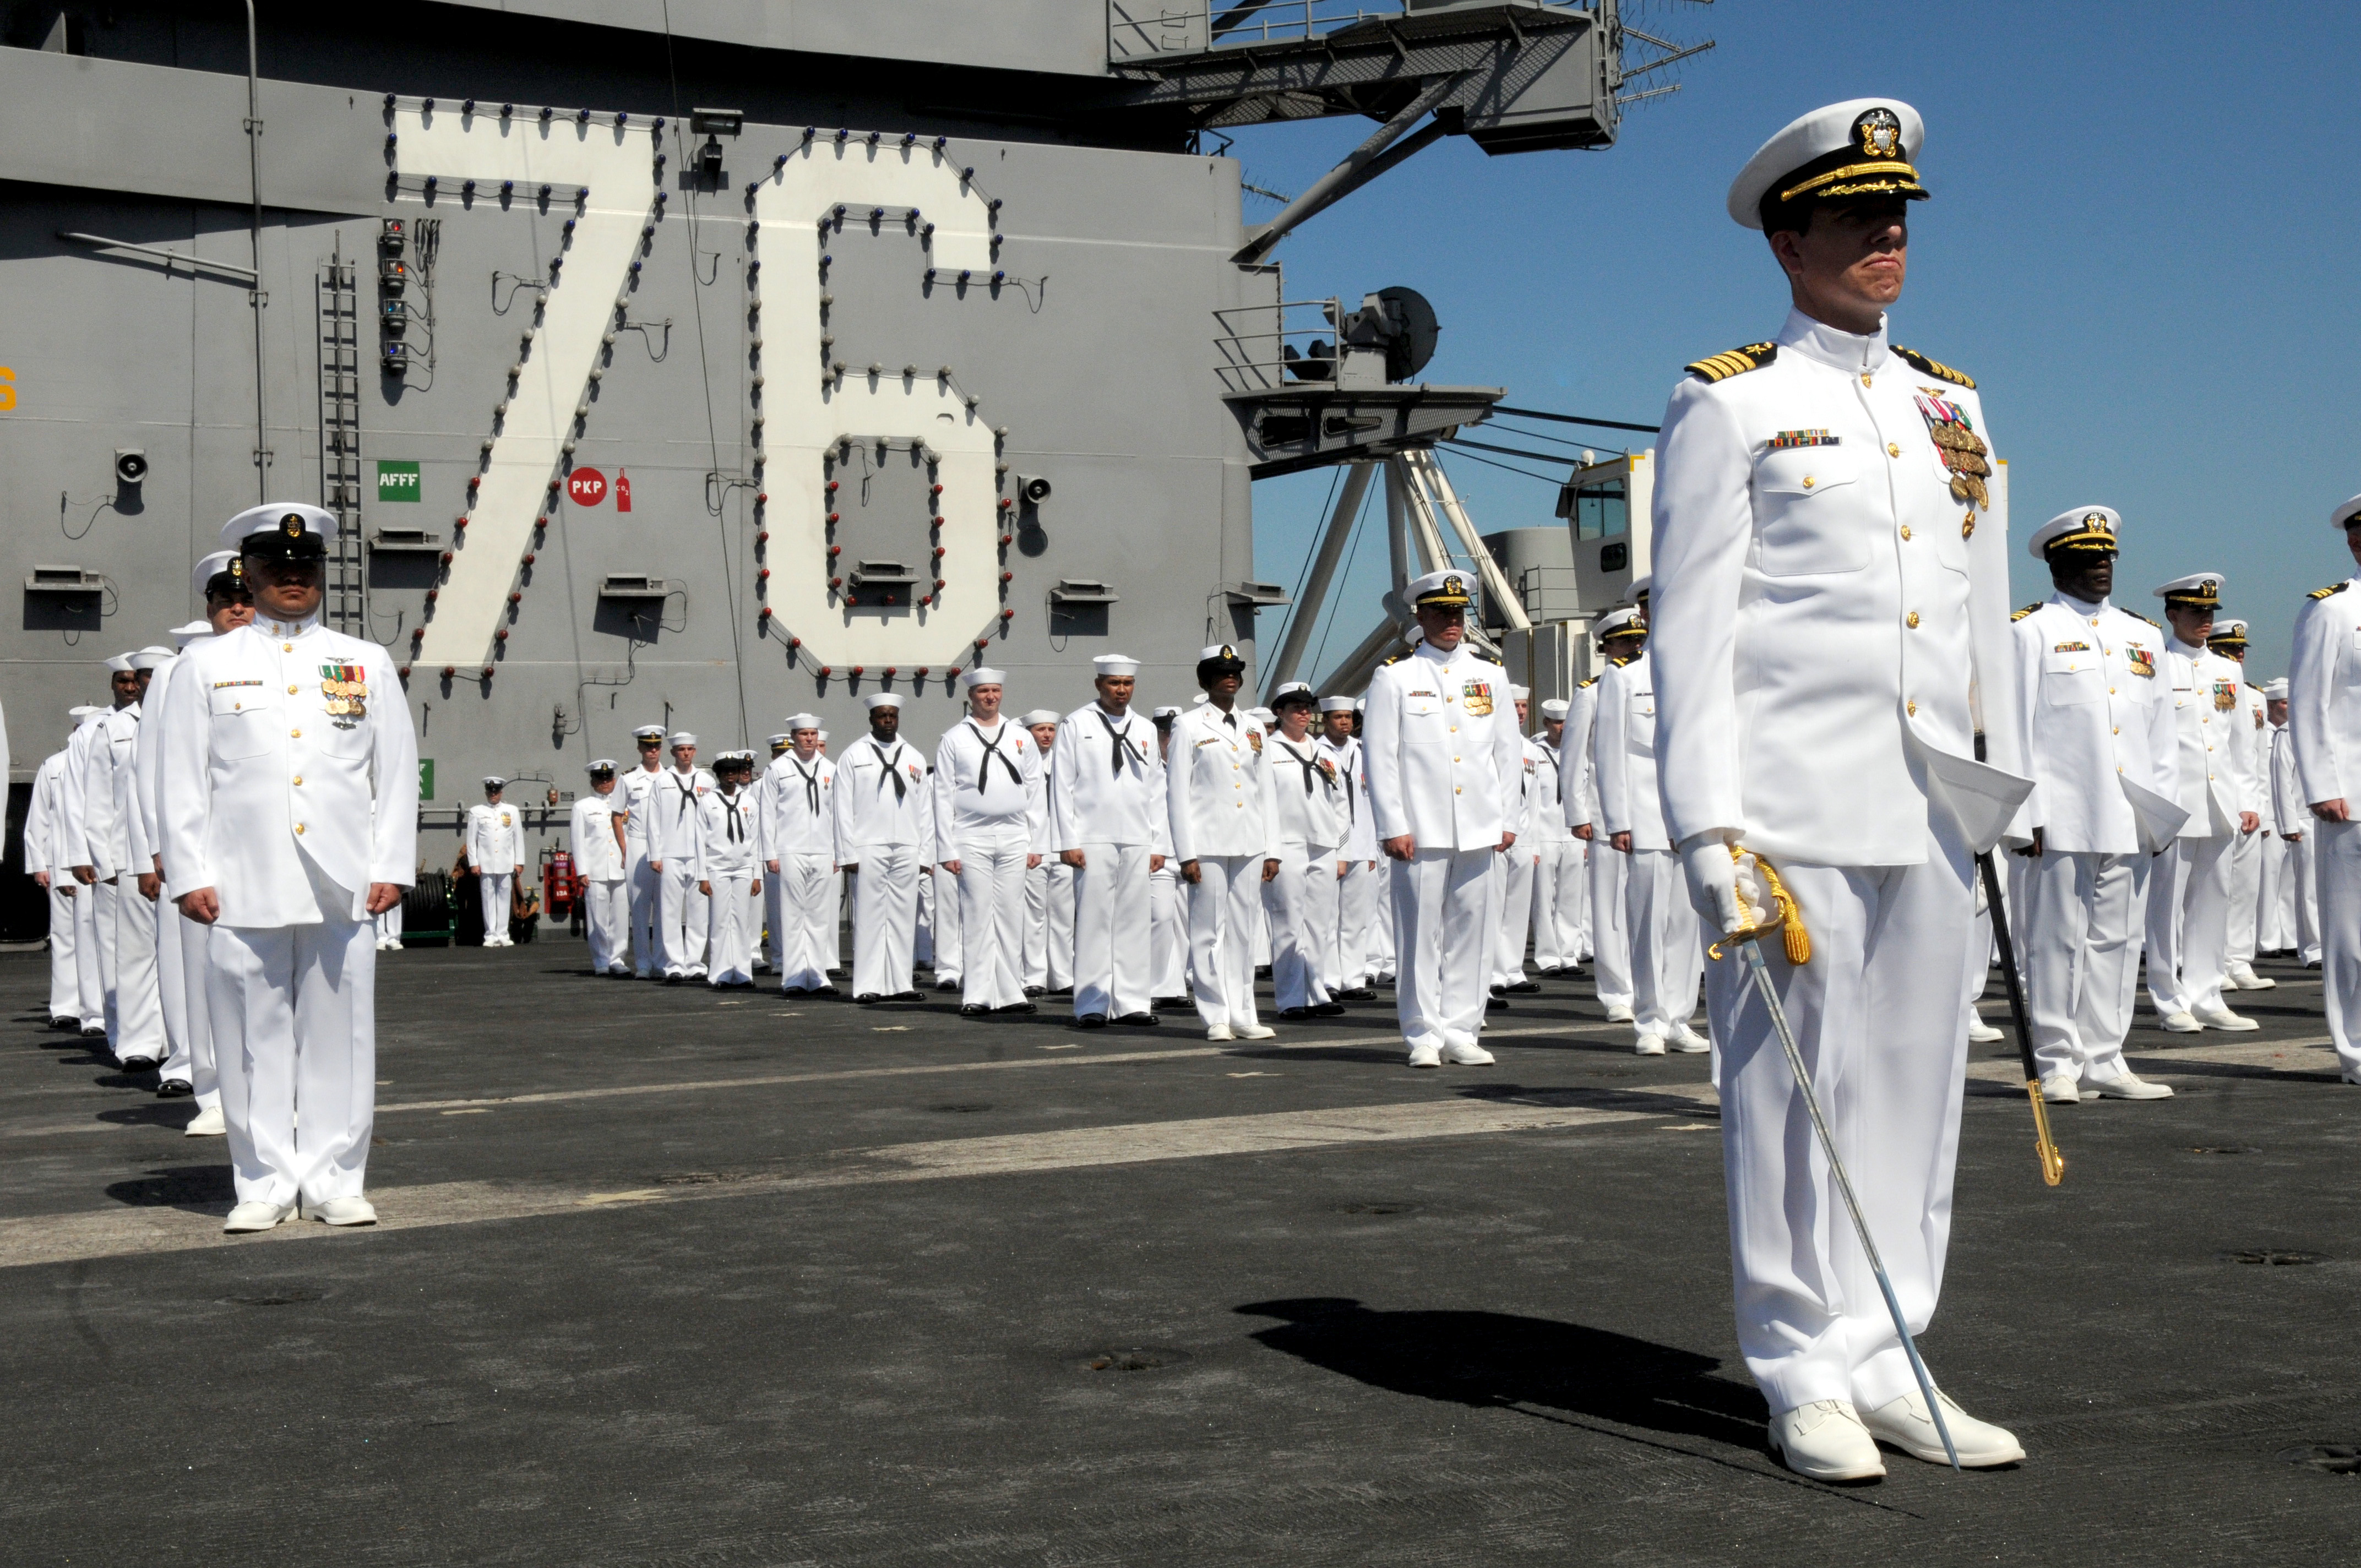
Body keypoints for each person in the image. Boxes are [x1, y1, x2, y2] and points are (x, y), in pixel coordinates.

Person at [1652, 99, 2032, 1478]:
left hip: (1931, 804)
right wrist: (1704, 818)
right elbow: (1689, 622)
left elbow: (1979, 610)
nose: (1886, 236)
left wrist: (2002, 786)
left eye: (1899, 215)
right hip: (1790, 804)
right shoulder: (1731, 399)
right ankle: (1797, 1363)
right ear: (1786, 238)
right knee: (1785, 1092)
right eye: (1857, 217)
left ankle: (1886, 1348)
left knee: (1911, 1087)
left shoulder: (1953, 402)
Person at [160, 502, 418, 1231]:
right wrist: (189, 871)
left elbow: (394, 772)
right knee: (250, 1037)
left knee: (342, 1034)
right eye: (278, 569)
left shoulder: (362, 662)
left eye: (305, 569)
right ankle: (264, 1181)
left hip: (342, 881)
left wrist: (392, 862)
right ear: (254, 575)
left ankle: (337, 1178)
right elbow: (181, 776)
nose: (293, 580)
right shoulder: (205, 665)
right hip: (244, 878)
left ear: (320, 576)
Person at [2006, 507, 2184, 1104]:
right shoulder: (2029, 631)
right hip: (2058, 813)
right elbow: (2014, 729)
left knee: (2117, 939)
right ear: (2057, 565)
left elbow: (2160, 732)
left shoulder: (2141, 635)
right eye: (2086, 559)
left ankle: (2105, 1055)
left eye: (2106, 556)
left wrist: (2161, 812)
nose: (2101, 568)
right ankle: (2058, 1059)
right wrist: (2021, 815)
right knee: (2053, 939)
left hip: (2129, 813)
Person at [1362, 570, 1522, 1068]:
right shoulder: (1396, 676)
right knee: (1418, 933)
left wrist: (1508, 817)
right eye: (1441, 612)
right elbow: (1380, 756)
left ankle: (1462, 1029)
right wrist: (1393, 824)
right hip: (1421, 827)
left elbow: (1507, 753)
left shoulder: (1490, 674)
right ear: (1421, 616)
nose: (1452, 621)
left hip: (1478, 822)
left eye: (1458, 612)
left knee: (1473, 932)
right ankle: (1423, 1033)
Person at [2144, 574, 2261, 1031]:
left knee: (2214, 901)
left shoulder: (2227, 670)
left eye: (2210, 612)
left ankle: (2206, 993)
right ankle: (2168, 996)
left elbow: (2240, 744)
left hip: (2220, 803)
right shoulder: (2157, 664)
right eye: (2195, 613)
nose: (2205, 620)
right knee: (2166, 906)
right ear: (2173, 615)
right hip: (2176, 803)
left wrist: (2248, 800)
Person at [1594, 607, 1706, 1055]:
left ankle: (1679, 1017)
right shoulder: (1624, 678)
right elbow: (1610, 752)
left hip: (1693, 820)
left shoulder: (1696, 671)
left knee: (1686, 924)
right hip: (1646, 817)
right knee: (1648, 922)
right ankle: (1650, 1021)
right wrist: (1618, 820)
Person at [139, 614, 232, 1107]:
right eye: (227, 600)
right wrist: (159, 848)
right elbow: (154, 766)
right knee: (194, 968)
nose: (238, 610)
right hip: (196, 846)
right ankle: (201, 1078)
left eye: (245, 599)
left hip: (258, 848)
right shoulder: (179, 674)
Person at [1050, 654, 1169, 1028]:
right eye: (1115, 683)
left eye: (1128, 684)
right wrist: (1067, 840)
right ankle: (1091, 1003)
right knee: (1093, 922)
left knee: (1134, 921)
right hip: (1092, 836)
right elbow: (1061, 785)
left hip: (1136, 835)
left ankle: (1133, 1002)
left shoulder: (1145, 729)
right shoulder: (1076, 723)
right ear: (1099, 684)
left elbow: (1156, 788)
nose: (1122, 691)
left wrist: (1159, 843)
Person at [2287, 493, 2361, 1084]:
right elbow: (2307, 704)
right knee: (2350, 935)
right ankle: (2355, 1051)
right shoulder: (2333, 611)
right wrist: (2320, 784)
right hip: (2351, 796)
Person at [1166, 646, 1276, 1041]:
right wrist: (1186, 853)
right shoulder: (1188, 725)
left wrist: (1273, 848)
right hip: (1207, 841)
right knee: (1208, 930)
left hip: (1249, 841)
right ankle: (1216, 1014)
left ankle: (1244, 1012)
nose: (1229, 678)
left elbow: (1266, 791)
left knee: (1245, 929)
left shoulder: (1253, 727)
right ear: (1205, 680)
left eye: (1234, 673)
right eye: (1220, 673)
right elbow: (1177, 792)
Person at [934, 668, 1043, 1015]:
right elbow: (942, 795)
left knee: (1011, 915)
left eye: (995, 691)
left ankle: (1011, 992)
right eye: (983, 692)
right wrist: (946, 848)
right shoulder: (954, 738)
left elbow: (1035, 789)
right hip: (971, 835)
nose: (990, 697)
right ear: (971, 697)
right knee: (978, 914)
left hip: (1014, 834)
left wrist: (1036, 842)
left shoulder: (1020, 737)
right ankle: (978, 994)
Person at [1262, 682, 1348, 1021]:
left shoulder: (1325, 753)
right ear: (1279, 712)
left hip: (1323, 844)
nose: (1303, 712)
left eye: (1307, 706)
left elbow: (1340, 804)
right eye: (1295, 706)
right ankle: (1290, 998)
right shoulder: (1267, 750)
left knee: (1319, 924)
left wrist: (1341, 850)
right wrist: (1270, 849)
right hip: (1287, 844)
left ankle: (1317, 990)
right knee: (1287, 923)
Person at [835, 692, 929, 1003]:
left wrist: (926, 853)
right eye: (882, 716)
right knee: (869, 919)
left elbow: (925, 809)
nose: (888, 721)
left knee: (903, 918)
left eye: (893, 716)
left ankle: (901, 983)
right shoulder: (854, 754)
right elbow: (842, 807)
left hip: (906, 844)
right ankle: (867, 985)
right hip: (868, 845)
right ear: (872, 719)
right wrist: (847, 853)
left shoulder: (913, 756)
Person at [2205, 620, 2275, 992]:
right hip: (2215, 801)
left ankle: (2239, 960)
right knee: (2209, 890)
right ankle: (2208, 962)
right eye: (2231, 649)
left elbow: (2257, 757)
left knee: (2246, 888)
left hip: (2248, 806)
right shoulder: (2211, 687)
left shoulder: (2256, 697)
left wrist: (2259, 805)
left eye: (2241, 649)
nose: (2239, 655)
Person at [763, 715, 839, 995]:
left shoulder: (830, 768)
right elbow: (767, 813)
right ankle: (794, 976)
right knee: (793, 915)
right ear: (793, 736)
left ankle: (818, 975)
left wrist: (837, 852)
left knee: (819, 917)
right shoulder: (778, 769)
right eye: (804, 734)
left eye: (813, 734)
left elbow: (837, 814)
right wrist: (769, 853)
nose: (809, 739)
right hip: (790, 848)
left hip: (822, 849)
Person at [1318, 695, 1379, 1000]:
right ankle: (1329, 979)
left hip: (1362, 843)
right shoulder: (1316, 752)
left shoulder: (1365, 753)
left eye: (1348, 717)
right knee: (1328, 917)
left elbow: (1373, 801)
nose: (1344, 723)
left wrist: (1371, 849)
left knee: (1357, 917)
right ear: (1326, 720)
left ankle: (1354, 979)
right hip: (1330, 845)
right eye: (1337, 717)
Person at [26, 721, 86, 1030]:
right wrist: (38, 864)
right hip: (60, 862)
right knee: (65, 936)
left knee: (98, 939)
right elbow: (39, 817)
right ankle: (65, 1005)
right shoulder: (54, 765)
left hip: (98, 861)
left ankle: (97, 1008)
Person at [649, 732, 716, 980]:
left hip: (699, 854)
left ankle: (695, 962)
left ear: (695, 752)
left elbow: (715, 818)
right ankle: (675, 963)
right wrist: (655, 855)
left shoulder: (706, 781)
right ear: (673, 753)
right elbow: (653, 821)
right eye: (681, 750)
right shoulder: (663, 781)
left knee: (699, 910)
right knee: (670, 910)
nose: (686, 754)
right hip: (670, 853)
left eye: (690, 749)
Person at [694, 750, 764, 986]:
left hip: (744, 867)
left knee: (742, 921)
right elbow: (699, 841)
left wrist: (757, 875)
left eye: (734, 772)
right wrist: (702, 877)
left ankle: (743, 973)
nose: (731, 777)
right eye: (726, 773)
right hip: (718, 867)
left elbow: (755, 840)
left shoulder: (749, 801)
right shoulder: (708, 802)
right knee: (721, 921)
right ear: (719, 776)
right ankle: (721, 973)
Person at [2261, 679, 2317, 965]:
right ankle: (2312, 947)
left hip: (2321, 819)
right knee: (2302, 887)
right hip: (2295, 818)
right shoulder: (2286, 735)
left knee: (2308, 886)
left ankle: (2294, 938)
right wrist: (2288, 824)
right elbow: (2281, 780)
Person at [1530, 697, 1585, 976]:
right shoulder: (1534, 752)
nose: (1562, 728)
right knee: (1544, 898)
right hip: (1545, 832)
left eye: (1566, 722)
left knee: (1571, 897)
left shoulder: (1580, 754)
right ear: (1546, 724)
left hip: (1573, 833)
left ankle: (1569, 954)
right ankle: (1548, 957)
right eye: (1557, 722)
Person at [1020, 709, 1075, 996]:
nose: (1047, 735)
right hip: (1034, 850)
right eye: (1040, 730)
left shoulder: (1063, 762)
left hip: (1061, 848)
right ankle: (1034, 976)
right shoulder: (1021, 762)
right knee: (1034, 917)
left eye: (1051, 730)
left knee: (1064, 917)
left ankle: (1063, 976)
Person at [1148, 706, 1192, 1009]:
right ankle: (1158, 985)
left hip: (1189, 853)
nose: (1168, 738)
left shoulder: (1192, 762)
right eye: (1164, 732)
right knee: (1160, 919)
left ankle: (1182, 982)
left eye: (1172, 732)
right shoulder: (1147, 764)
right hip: (1159, 854)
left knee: (1188, 926)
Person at [618, 724, 668, 977]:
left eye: (657, 745)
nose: (653, 750)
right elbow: (617, 815)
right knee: (639, 909)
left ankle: (661, 961)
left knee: (664, 907)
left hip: (666, 845)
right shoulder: (628, 779)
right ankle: (644, 964)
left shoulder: (670, 778)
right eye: (648, 746)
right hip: (638, 843)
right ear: (639, 748)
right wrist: (625, 848)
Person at [572, 760, 630, 975]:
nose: (605, 783)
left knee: (621, 917)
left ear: (614, 780)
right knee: (597, 918)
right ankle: (601, 961)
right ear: (593, 781)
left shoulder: (625, 804)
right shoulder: (583, 807)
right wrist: (581, 871)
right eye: (600, 779)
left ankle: (618, 959)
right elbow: (578, 840)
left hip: (621, 868)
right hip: (596, 870)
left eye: (608, 779)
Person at [465, 777, 523, 948]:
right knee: (488, 898)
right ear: (486, 793)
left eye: (496, 791)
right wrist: (473, 863)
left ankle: (503, 933)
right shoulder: (477, 812)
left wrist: (519, 862)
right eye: (490, 792)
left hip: (506, 861)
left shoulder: (511, 811)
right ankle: (490, 934)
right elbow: (471, 841)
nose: (493, 794)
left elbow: (518, 838)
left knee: (505, 897)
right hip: (486, 862)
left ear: (501, 792)